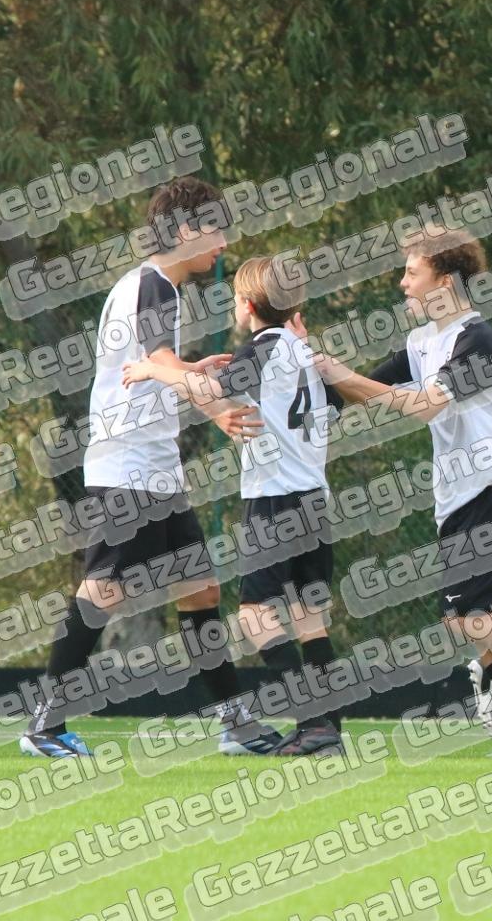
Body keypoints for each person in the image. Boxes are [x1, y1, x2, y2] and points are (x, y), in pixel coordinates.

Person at [315, 228, 492, 758]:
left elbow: (428, 404)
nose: (403, 284)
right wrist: (313, 376)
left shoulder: (477, 338)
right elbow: (364, 390)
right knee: (465, 621)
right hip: (455, 498)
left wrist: (344, 374)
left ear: (444, 281)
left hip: (490, 487)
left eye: (412, 273)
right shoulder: (421, 342)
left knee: (482, 620)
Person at [20, 178, 271, 759]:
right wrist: (213, 400)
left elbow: (156, 368)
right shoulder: (153, 284)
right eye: (214, 228)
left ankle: (233, 722)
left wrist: (203, 392)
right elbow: (158, 361)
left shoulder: (155, 287)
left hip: (154, 470)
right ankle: (45, 723)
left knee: (200, 589)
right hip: (128, 467)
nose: (223, 242)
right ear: (183, 231)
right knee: (103, 590)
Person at [123, 253, 344, 754]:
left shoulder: (264, 348)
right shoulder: (304, 350)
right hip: (313, 496)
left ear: (247, 305)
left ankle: (312, 718)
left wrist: (153, 369)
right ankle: (326, 727)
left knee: (253, 616)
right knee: (308, 617)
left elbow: (210, 388)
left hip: (275, 499)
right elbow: (328, 405)